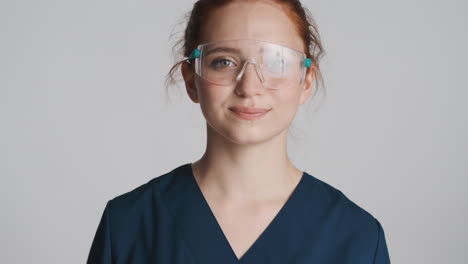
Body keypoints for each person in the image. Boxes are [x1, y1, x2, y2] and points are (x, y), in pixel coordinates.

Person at [87, 0, 391, 263]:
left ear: (306, 81)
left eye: (277, 61)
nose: (249, 86)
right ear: (192, 79)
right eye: (224, 61)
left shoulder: (357, 236)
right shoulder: (129, 224)